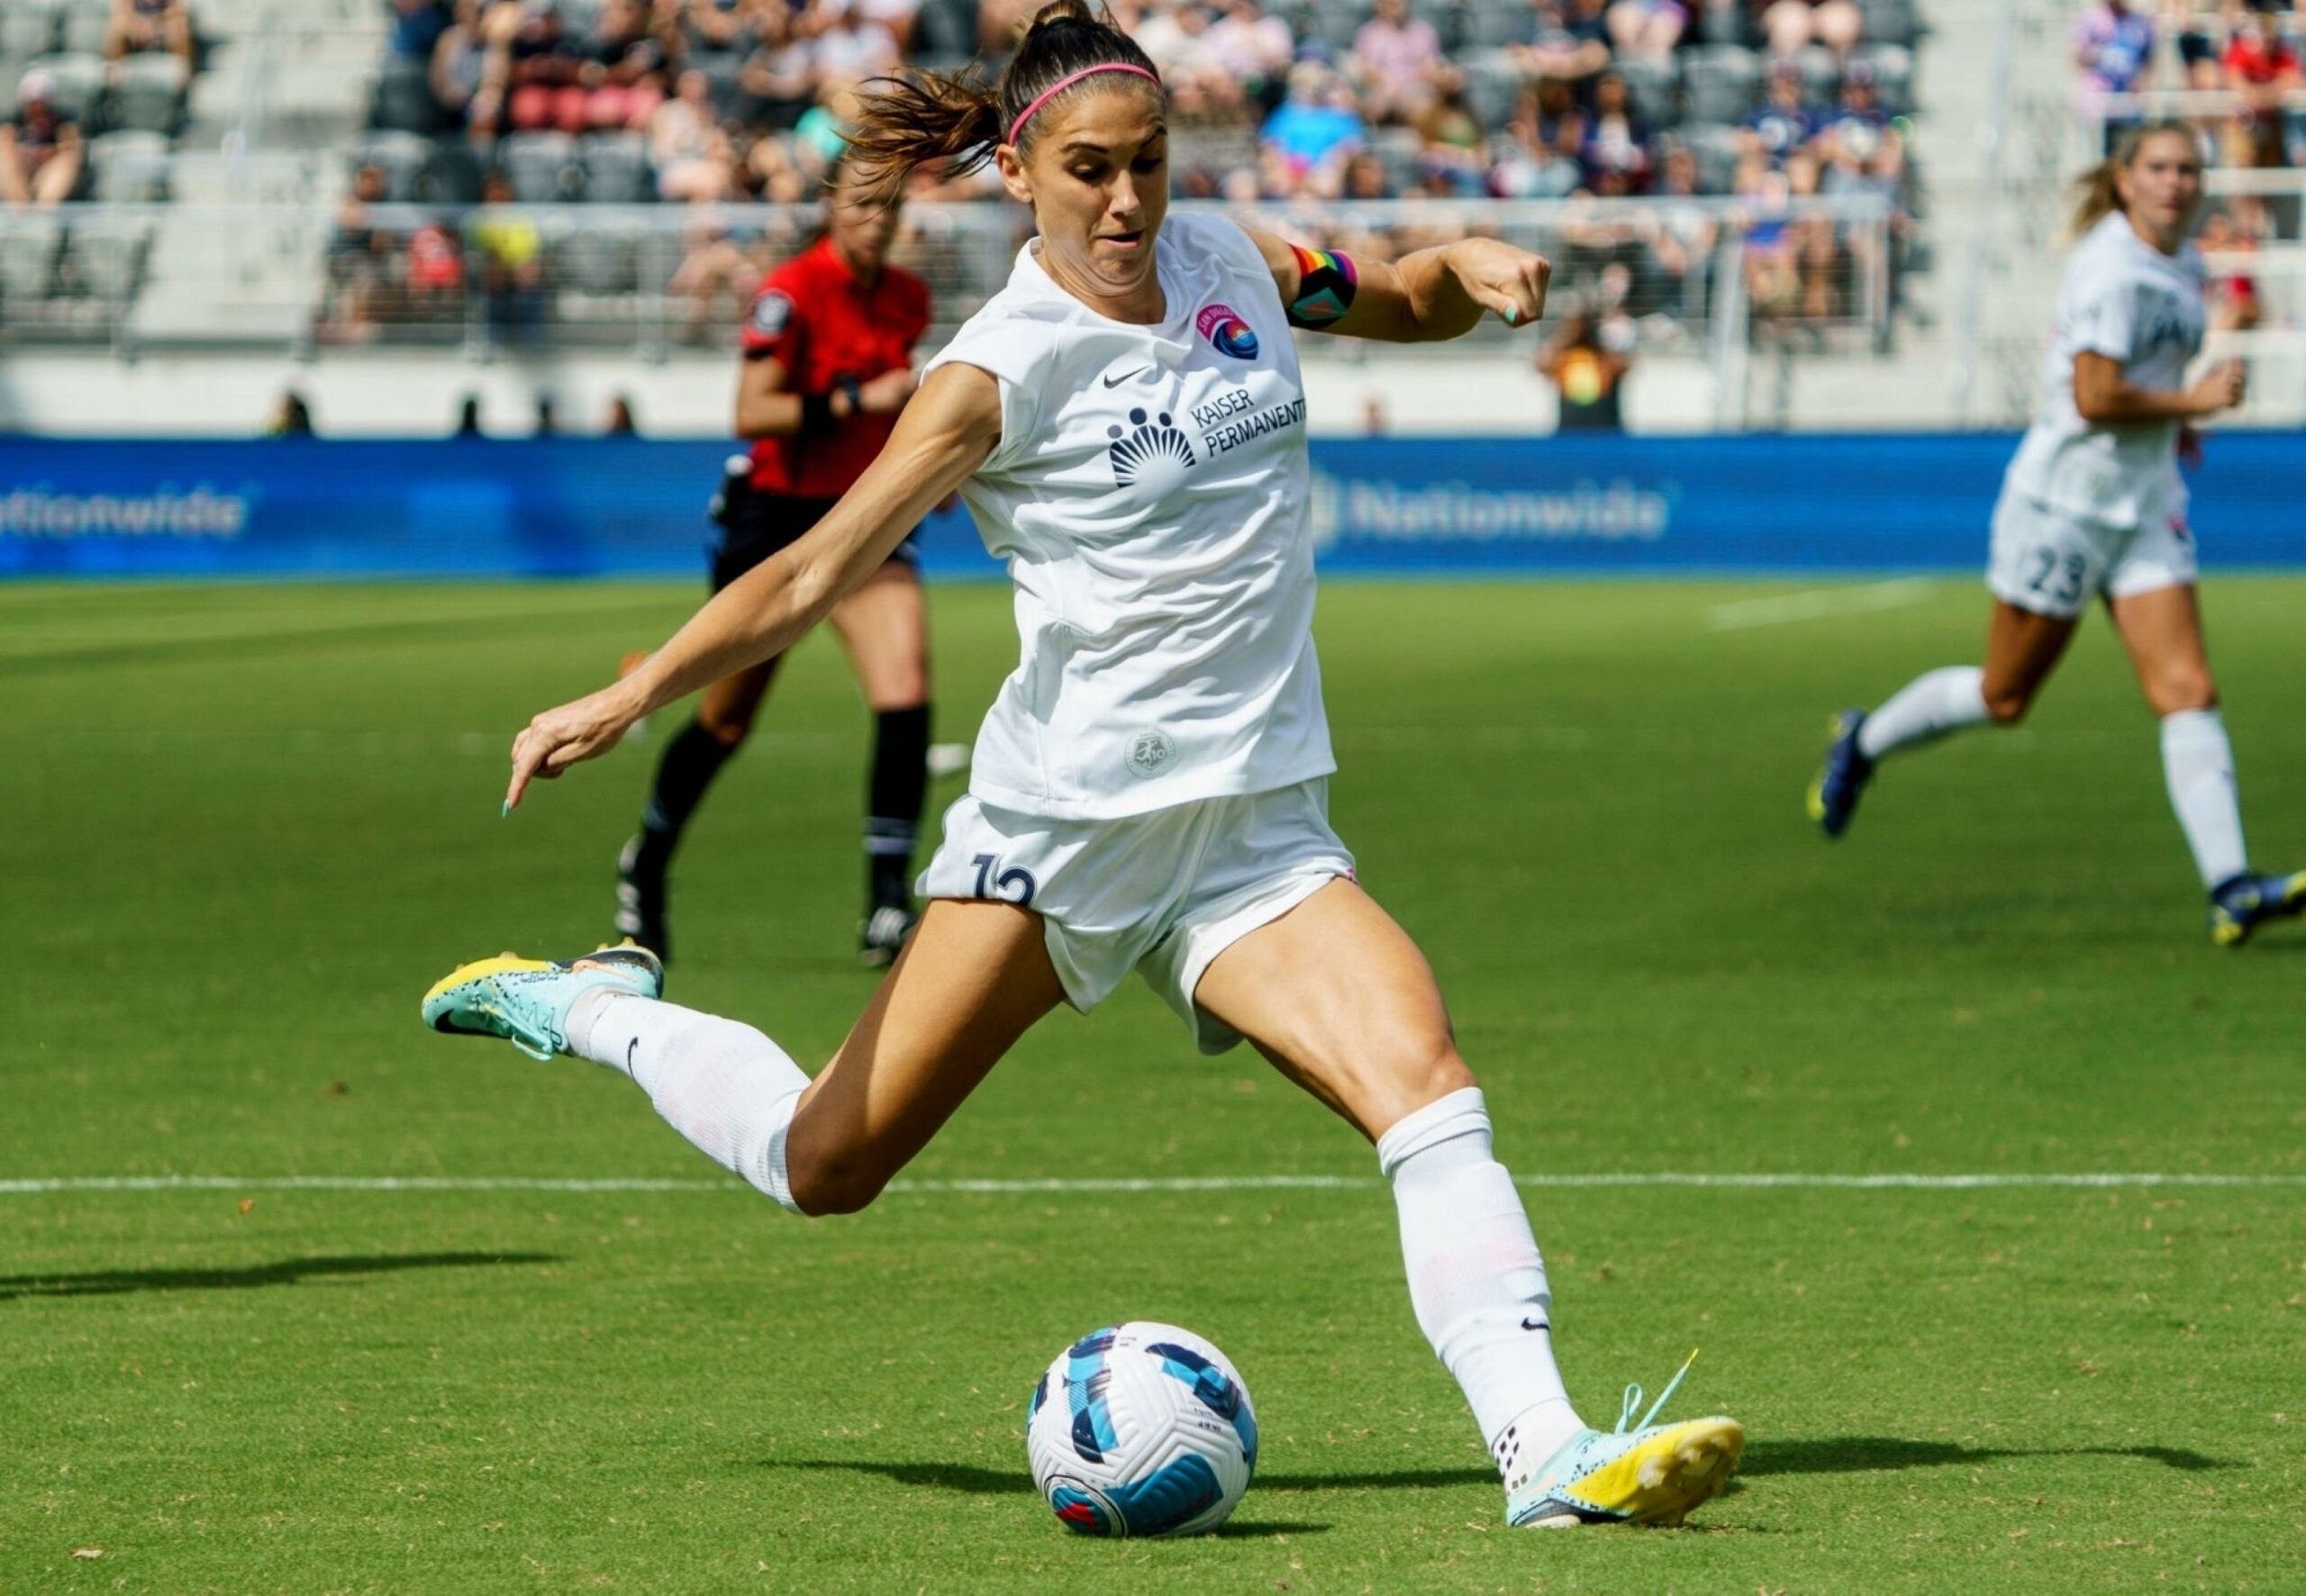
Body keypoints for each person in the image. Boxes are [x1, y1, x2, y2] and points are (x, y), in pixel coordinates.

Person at [423, 3, 1744, 1531]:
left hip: (1253, 837)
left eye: (1151, 167)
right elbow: (812, 570)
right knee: (823, 1161)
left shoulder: (1234, 262)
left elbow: (1397, 298)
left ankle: (1549, 1447)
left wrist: (1469, 267)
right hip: (1060, 841)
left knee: (1430, 1096)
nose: (1128, 203)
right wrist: (634, 687)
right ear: (1020, 174)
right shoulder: (995, 373)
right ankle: (594, 1009)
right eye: (1093, 172)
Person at [1810, 122, 2304, 947]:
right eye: (2158, 169)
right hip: (2065, 506)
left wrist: (2173, 425)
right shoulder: (2112, 269)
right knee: (2004, 696)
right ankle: (1865, 740)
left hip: (2143, 503)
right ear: (2124, 181)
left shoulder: (2180, 261)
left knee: (2187, 691)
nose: (2176, 183)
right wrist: (2193, 403)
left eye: (2187, 169)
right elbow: (2093, 398)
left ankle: (2231, 888)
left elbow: (2136, 381)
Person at [614, 157, 936, 970]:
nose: (878, 217)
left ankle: (887, 902)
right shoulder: (791, 291)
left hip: (864, 517)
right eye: (863, 202)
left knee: (906, 691)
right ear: (833, 208)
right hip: (778, 523)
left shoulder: (907, 297)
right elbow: (751, 410)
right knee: (725, 721)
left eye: (890, 204)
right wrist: (857, 401)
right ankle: (646, 862)